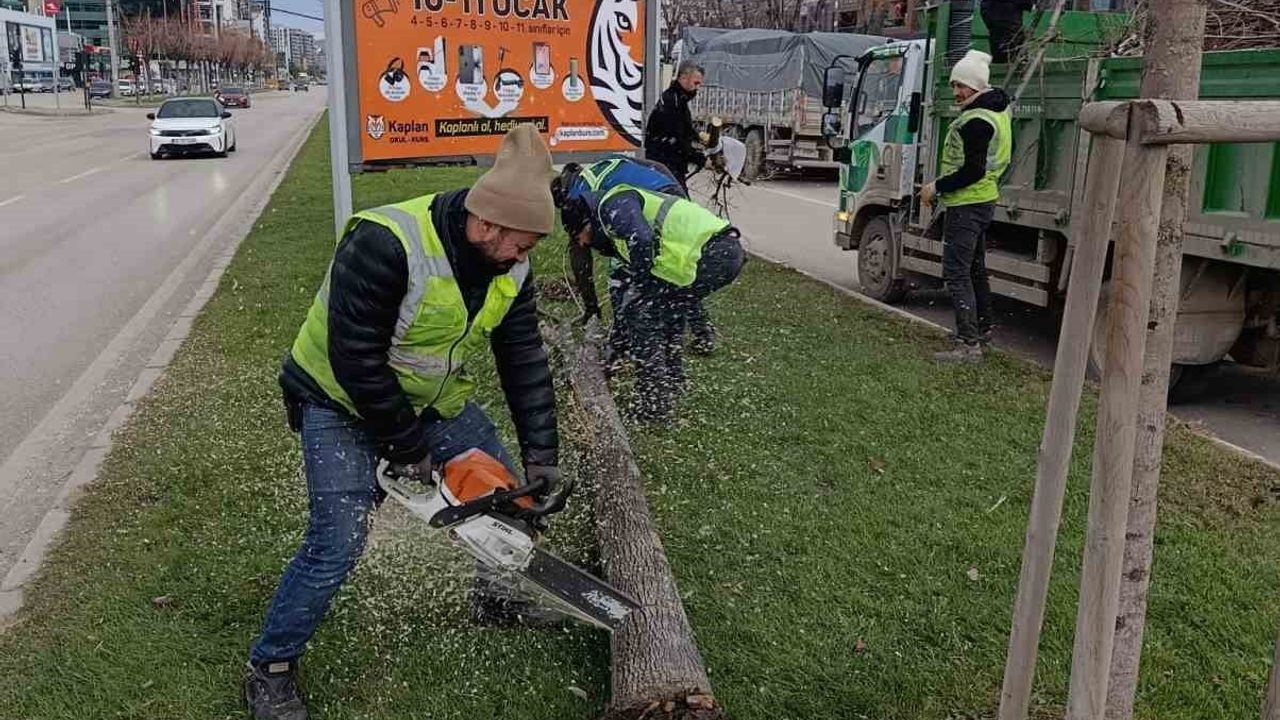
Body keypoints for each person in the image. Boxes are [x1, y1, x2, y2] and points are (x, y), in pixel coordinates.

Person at [243, 125, 562, 720]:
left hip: (429, 400)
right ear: (486, 224)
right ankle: (272, 666)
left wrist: (542, 454)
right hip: (336, 399)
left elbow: (523, 359)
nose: (524, 258)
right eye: (519, 244)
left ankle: (495, 598)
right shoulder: (386, 240)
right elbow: (355, 356)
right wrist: (405, 445)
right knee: (337, 542)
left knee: (508, 499)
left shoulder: (511, 267)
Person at [557, 183, 746, 421]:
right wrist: (615, 349)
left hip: (713, 253)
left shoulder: (612, 205)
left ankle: (655, 405)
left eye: (580, 236)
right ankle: (673, 382)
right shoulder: (617, 223)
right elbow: (628, 292)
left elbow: (643, 239)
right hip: (720, 252)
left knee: (643, 315)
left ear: (587, 222)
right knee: (665, 312)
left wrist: (643, 287)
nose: (584, 244)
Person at [555, 157, 718, 364]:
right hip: (664, 197)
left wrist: (591, 306)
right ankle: (701, 333)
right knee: (679, 270)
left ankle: (623, 345)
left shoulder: (578, 198)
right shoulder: (601, 166)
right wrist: (679, 199)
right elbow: (658, 165)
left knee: (623, 277)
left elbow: (581, 260)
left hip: (642, 212)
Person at [921, 50, 1011, 363]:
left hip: (967, 203)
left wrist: (936, 186)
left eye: (962, 86)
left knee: (957, 273)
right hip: (983, 200)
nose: (957, 92)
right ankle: (981, 334)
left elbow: (973, 169)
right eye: (954, 85)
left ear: (977, 86)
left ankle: (967, 345)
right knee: (975, 270)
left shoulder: (977, 121)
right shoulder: (996, 111)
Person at [644, 62, 707, 191]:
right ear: (683, 78)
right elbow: (677, 138)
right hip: (665, 165)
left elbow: (684, 128)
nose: (698, 88)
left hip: (669, 163)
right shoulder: (672, 101)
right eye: (696, 83)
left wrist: (698, 136)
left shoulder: (679, 99)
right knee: (681, 205)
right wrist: (698, 158)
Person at [981, 0, 1033, 65]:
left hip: (995, 18)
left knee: (999, 50)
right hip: (1009, 21)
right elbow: (1028, 4)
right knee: (1011, 52)